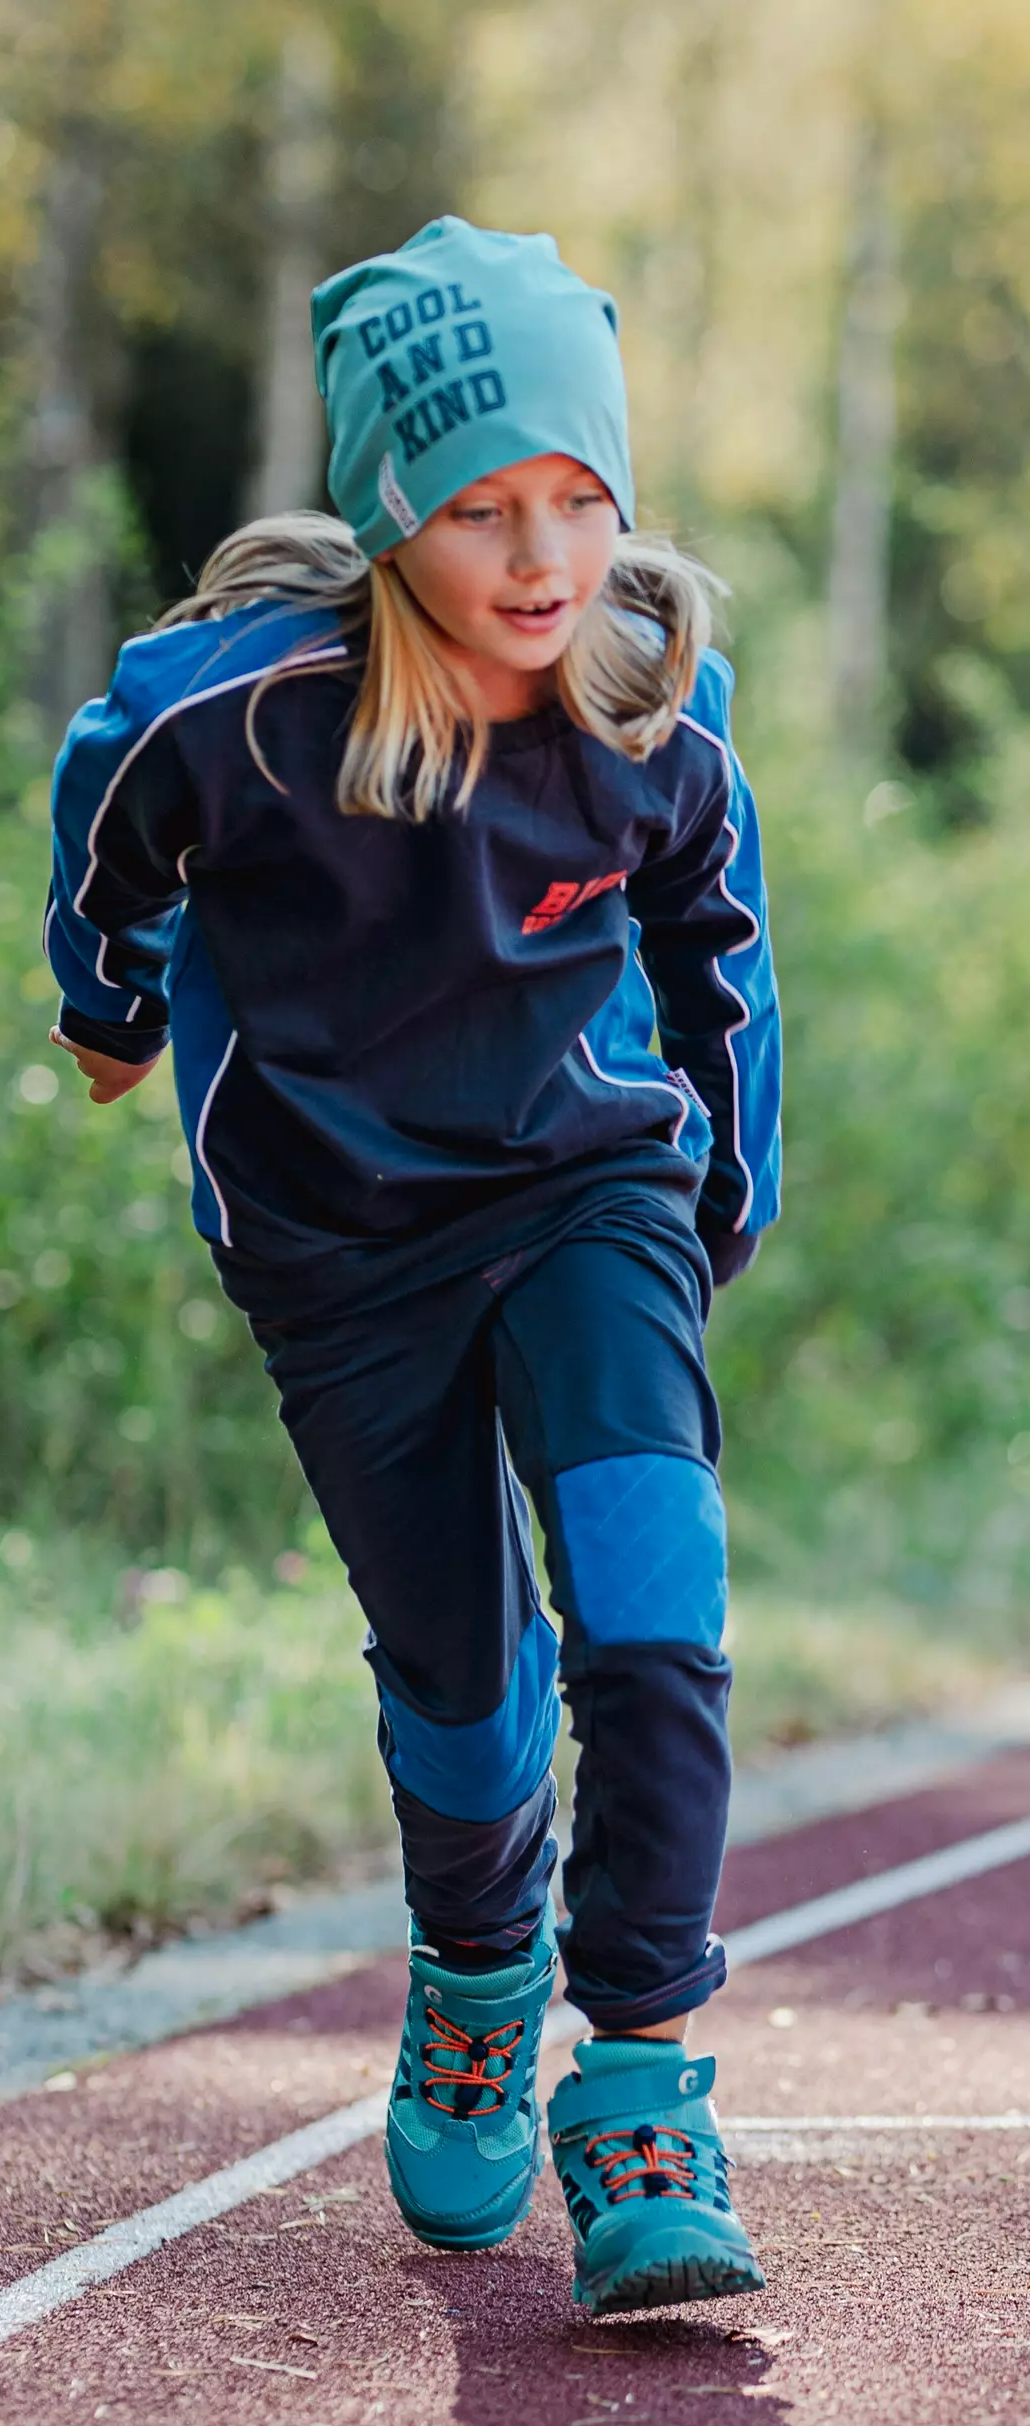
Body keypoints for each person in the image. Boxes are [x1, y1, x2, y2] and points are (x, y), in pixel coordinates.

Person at [44, 218, 779, 2311]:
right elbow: (107, 816)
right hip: (338, 1246)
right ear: (390, 513)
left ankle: (639, 2082)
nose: (544, 556)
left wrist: (713, 1203)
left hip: (586, 1198)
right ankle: (475, 1970)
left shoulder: (652, 707)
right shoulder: (238, 712)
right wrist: (106, 1018)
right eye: (483, 508)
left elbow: (720, 952)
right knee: (466, 1693)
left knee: (655, 1625)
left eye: (580, 499)